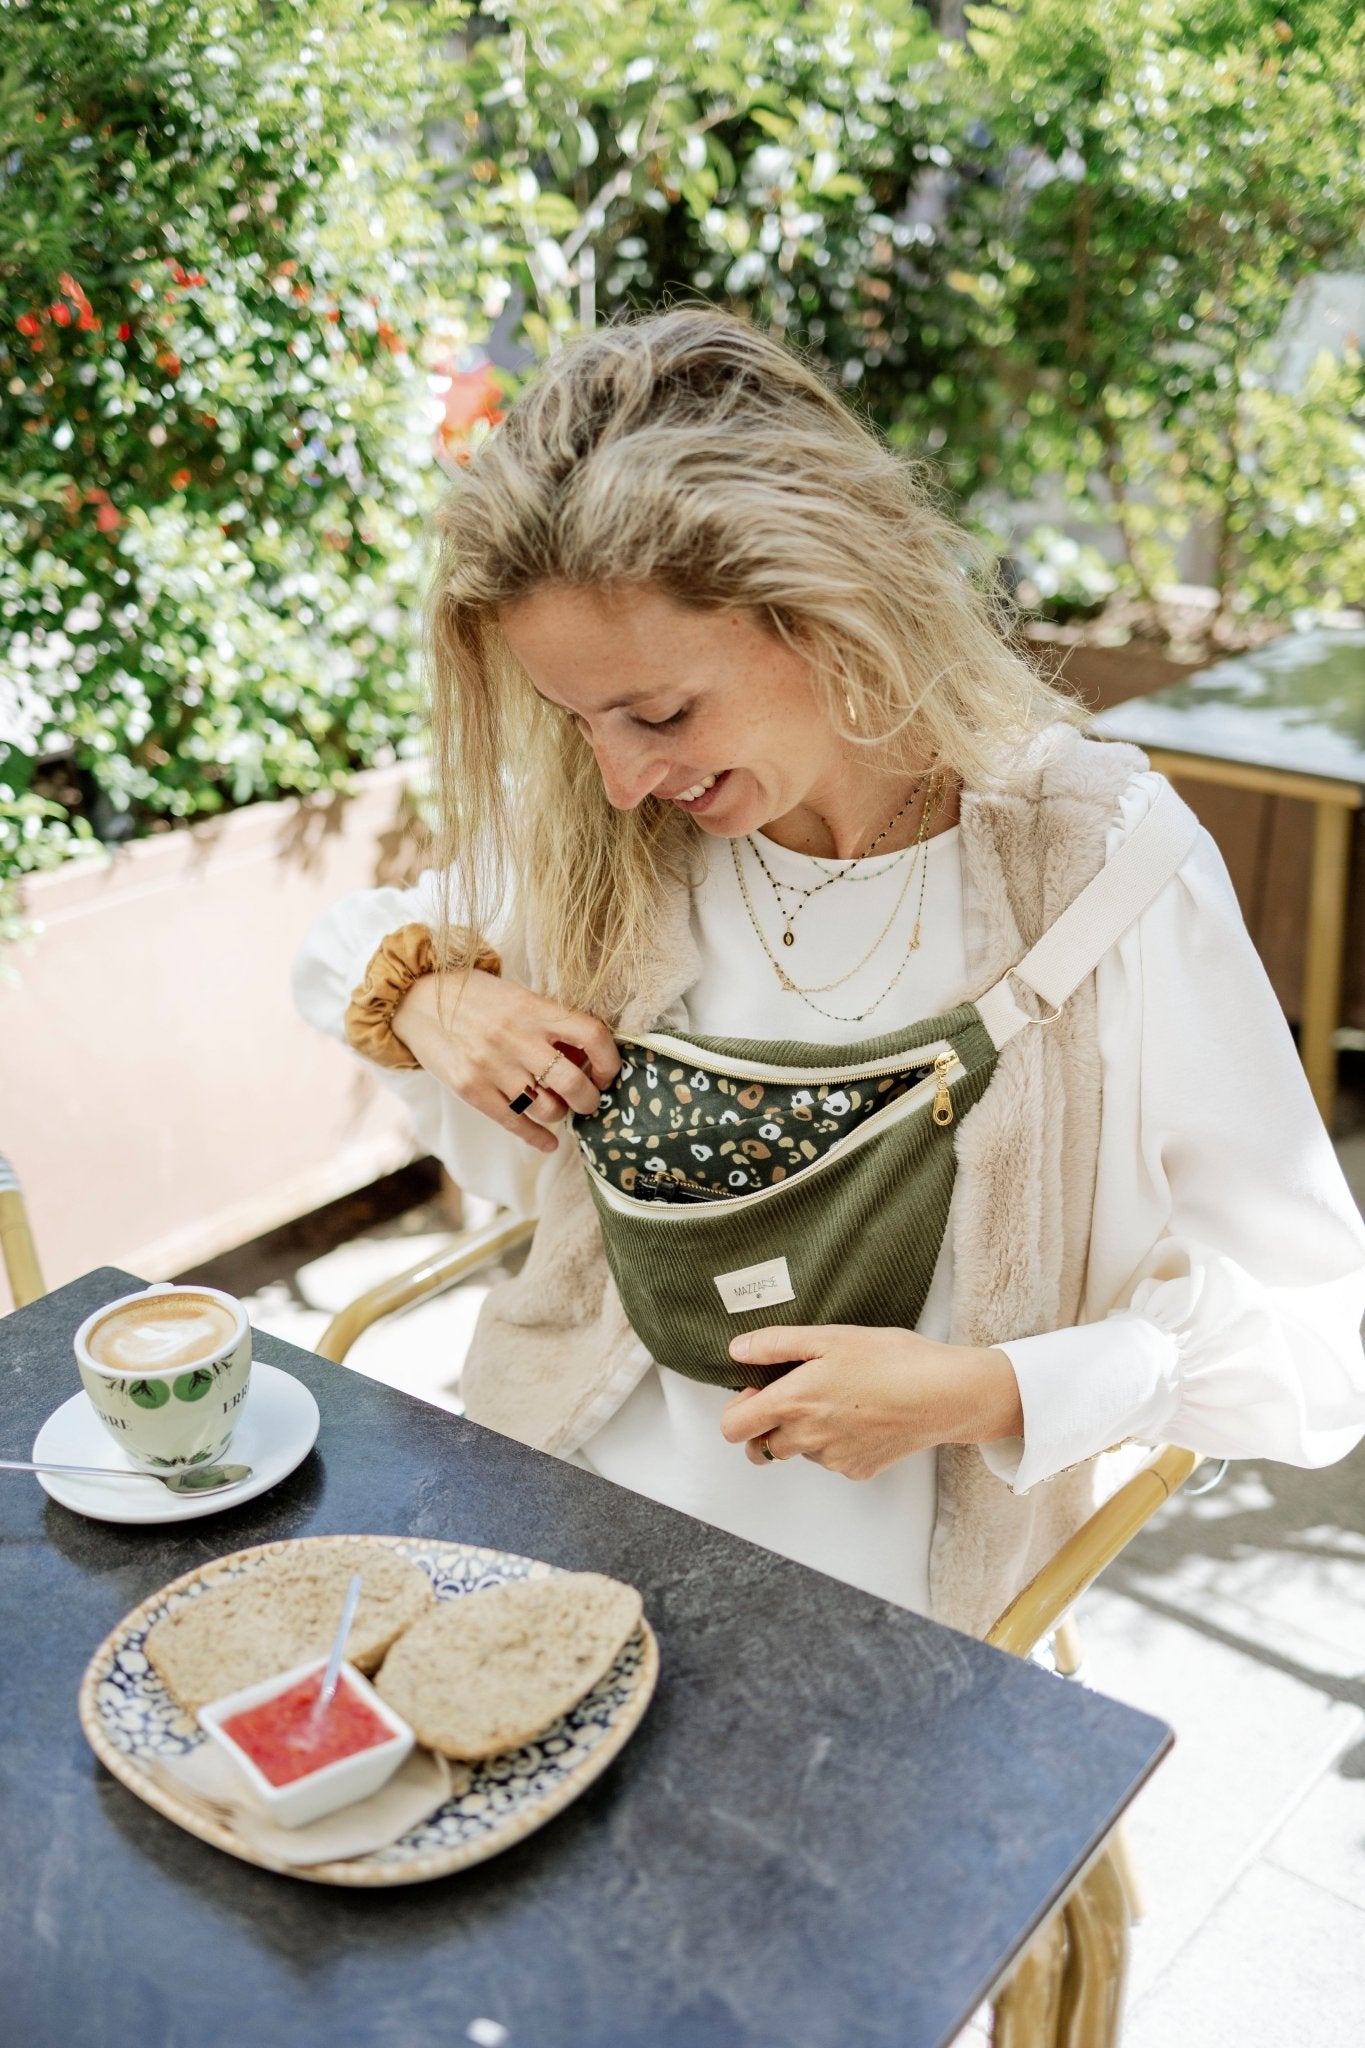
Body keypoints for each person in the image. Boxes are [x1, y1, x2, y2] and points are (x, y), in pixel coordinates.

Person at [295, 310, 1365, 1638]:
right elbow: (343, 946)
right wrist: (433, 993)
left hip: (903, 1625)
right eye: (578, 722)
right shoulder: (610, 833)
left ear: (826, 610)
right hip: (557, 1517)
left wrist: (989, 1393)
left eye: (659, 714)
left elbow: (1323, 1343)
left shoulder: (1100, 875)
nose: (622, 775)